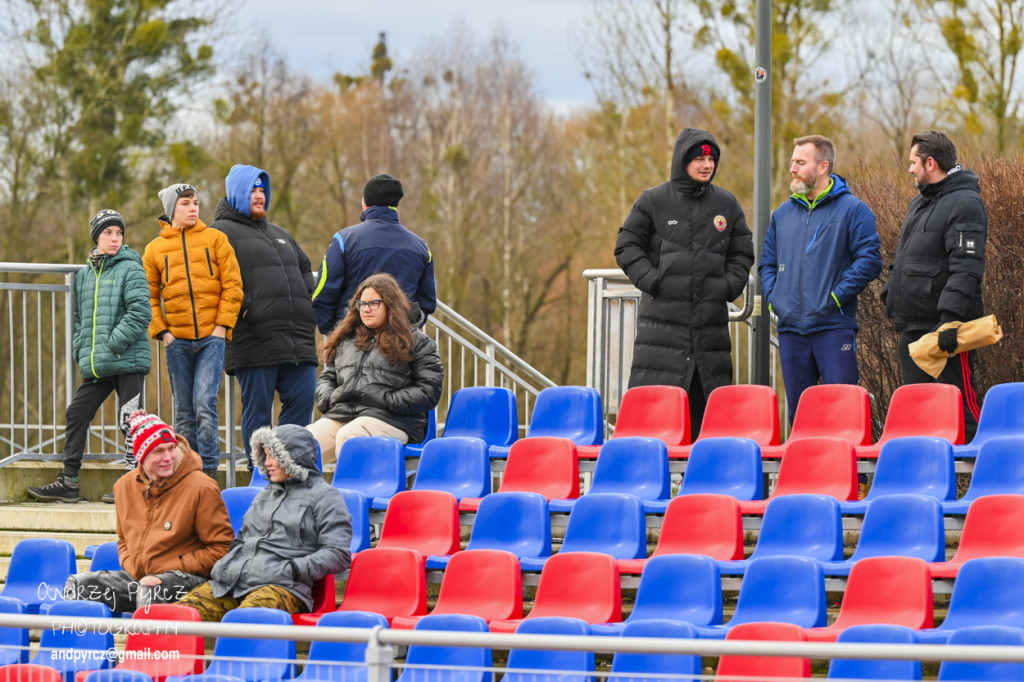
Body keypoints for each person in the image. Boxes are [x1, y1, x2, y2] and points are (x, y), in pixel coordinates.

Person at [614, 128, 754, 437]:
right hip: (661, 335)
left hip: (710, 335)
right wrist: (652, 280)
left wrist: (729, 287)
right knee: (654, 431)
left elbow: (742, 252)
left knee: (708, 429)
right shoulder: (652, 200)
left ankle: (701, 486)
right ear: (682, 161)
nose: (706, 165)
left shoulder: (727, 204)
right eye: (699, 159)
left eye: (711, 159)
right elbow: (626, 246)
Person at [27, 210, 151, 504]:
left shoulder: (131, 268)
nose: (115, 238)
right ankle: (68, 482)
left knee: (130, 420)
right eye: (108, 233)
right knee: (76, 413)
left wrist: (112, 342)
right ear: (97, 236)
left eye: (119, 233)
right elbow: (80, 319)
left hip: (127, 358)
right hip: (98, 363)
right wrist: (81, 349)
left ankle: (134, 481)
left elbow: (140, 312)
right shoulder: (84, 276)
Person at [760, 135, 882, 425]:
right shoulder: (782, 214)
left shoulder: (853, 210)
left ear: (823, 166)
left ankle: (852, 474)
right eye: (792, 161)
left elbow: (870, 260)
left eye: (800, 162)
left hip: (833, 328)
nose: (792, 168)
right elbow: (766, 264)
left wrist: (836, 297)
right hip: (791, 331)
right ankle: (805, 473)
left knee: (843, 416)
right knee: (800, 419)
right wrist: (775, 299)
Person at [177, 424, 351, 621]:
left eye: (273, 456)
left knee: (247, 620)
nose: (267, 463)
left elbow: (338, 554)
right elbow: (242, 542)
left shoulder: (326, 497)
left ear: (293, 457)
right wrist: (225, 566)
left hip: (281, 588)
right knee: (176, 617)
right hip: (231, 585)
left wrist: (291, 569)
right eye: (265, 456)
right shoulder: (263, 497)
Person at [64, 412, 234, 612]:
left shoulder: (202, 487)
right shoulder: (123, 487)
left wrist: (169, 567)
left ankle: (146, 645)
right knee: (78, 586)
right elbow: (123, 540)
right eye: (158, 452)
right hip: (141, 579)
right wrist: (134, 567)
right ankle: (75, 644)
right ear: (141, 456)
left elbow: (222, 549)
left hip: (190, 582)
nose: (168, 457)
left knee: (151, 589)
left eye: (171, 448)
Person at [881, 131, 987, 439]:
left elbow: (967, 268)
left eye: (913, 162)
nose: (910, 169)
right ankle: (924, 485)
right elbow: (907, 257)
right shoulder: (920, 202)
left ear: (931, 163)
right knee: (919, 421)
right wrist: (891, 294)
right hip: (913, 327)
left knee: (962, 417)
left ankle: (983, 481)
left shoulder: (966, 203)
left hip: (947, 330)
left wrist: (950, 322)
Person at [211, 165, 319, 463]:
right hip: (254, 337)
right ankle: (262, 474)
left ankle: (287, 467)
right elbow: (214, 277)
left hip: (298, 337)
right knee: (258, 412)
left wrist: (308, 302)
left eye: (262, 191)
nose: (259, 196)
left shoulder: (280, 233)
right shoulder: (219, 233)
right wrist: (247, 308)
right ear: (237, 194)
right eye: (252, 190)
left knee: (302, 403)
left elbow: (304, 267)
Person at [143, 183, 244, 479]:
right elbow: (146, 296)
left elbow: (233, 285)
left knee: (204, 404)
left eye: (196, 202)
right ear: (171, 208)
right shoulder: (154, 250)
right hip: (177, 342)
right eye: (185, 203)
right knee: (184, 412)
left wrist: (221, 327)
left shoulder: (216, 239)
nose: (193, 208)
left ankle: (209, 476)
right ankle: (186, 476)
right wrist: (163, 332)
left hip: (212, 340)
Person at [308, 273, 444, 465]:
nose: (366, 309)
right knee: (299, 445)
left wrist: (388, 400)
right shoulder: (347, 340)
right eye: (362, 304)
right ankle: (298, 496)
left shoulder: (418, 343)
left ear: (390, 304)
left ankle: (354, 494)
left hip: (393, 420)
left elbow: (429, 390)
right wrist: (329, 399)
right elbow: (327, 378)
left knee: (349, 438)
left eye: (373, 303)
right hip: (343, 414)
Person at [312, 174, 436, 334]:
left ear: (365, 202)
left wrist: (335, 334)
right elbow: (427, 302)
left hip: (352, 342)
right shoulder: (421, 247)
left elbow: (324, 292)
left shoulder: (343, 240)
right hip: (399, 345)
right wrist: (407, 331)